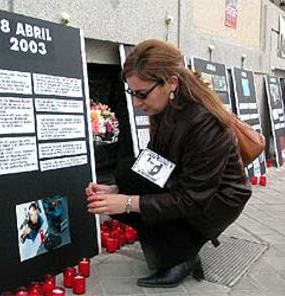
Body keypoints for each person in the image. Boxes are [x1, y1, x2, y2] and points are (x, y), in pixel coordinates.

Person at [85, 39, 252, 288]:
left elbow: (193, 198)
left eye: (142, 94)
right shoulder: (167, 107)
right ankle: (177, 246)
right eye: (132, 93)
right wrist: (116, 192)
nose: (137, 103)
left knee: (128, 196)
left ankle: (181, 257)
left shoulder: (205, 122)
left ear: (171, 82)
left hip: (215, 202)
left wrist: (128, 201)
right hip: (185, 185)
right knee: (125, 173)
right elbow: (152, 164)